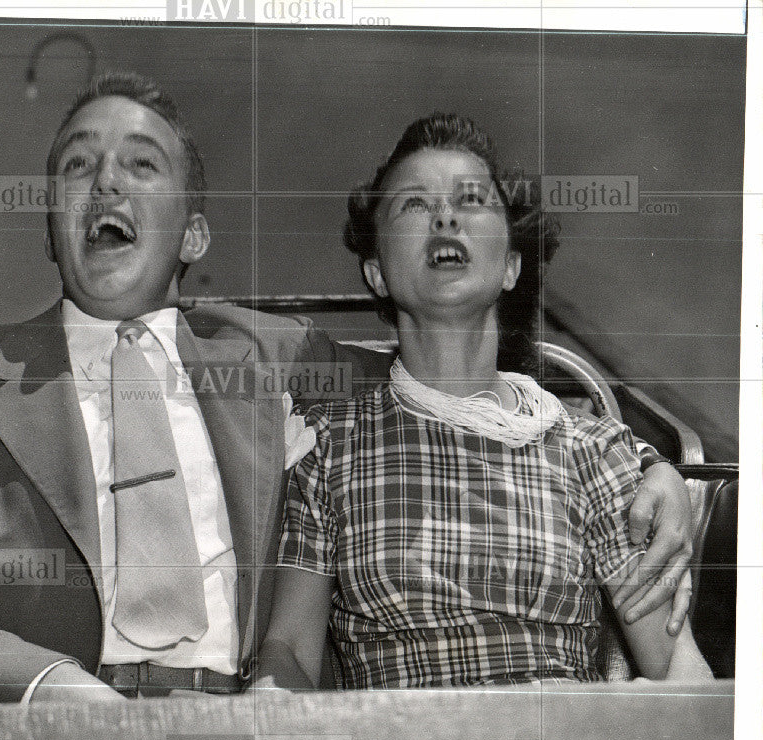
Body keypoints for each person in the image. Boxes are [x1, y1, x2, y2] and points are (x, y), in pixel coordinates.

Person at [0, 76, 695, 707]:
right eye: (77, 167)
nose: (106, 184)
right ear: (52, 227)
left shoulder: (277, 358)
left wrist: (650, 467)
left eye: (141, 164)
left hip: (252, 735)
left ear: (193, 232)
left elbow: (449, 382)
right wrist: (46, 691)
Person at [255, 114, 711, 690]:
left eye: (471, 200)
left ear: (512, 266)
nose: (445, 216)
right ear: (376, 273)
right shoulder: (329, 449)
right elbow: (290, 651)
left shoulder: (594, 453)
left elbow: (674, 670)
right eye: (413, 205)